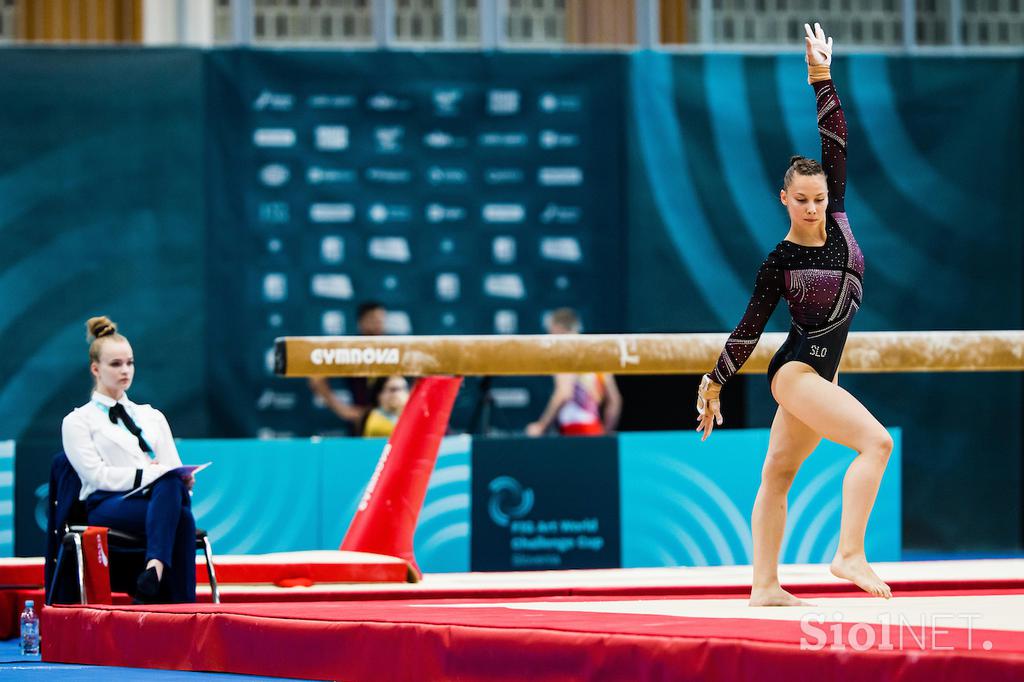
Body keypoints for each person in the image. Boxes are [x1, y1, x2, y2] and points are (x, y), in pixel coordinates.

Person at [696, 23, 893, 605]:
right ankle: (849, 554)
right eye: (801, 199)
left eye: (820, 197)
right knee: (876, 445)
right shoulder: (778, 261)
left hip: (821, 377)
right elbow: (749, 330)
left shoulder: (838, 221)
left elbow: (836, 140)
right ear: (784, 199)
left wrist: (821, 77)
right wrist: (714, 381)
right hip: (797, 372)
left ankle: (763, 586)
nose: (813, 207)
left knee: (776, 476)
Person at [61, 316, 197, 603]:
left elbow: (171, 470)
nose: (125, 370)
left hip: (157, 500)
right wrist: (148, 475)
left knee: (175, 492)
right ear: (96, 369)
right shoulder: (78, 421)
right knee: (180, 515)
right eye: (116, 364)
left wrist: (185, 479)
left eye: (130, 362)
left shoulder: (152, 415)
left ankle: (153, 571)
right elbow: (96, 476)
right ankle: (182, 609)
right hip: (106, 504)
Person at [526, 308, 622, 437]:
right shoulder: (596, 354)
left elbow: (564, 393)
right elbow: (615, 400)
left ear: (557, 328)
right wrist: (604, 433)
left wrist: (541, 425)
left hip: (573, 429)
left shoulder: (566, 351)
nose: (548, 336)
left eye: (549, 331)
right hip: (595, 428)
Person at [308, 301, 387, 434]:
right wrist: (342, 409)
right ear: (361, 322)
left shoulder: (394, 347)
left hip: (392, 420)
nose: (379, 324)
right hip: (360, 420)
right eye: (373, 319)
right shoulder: (349, 348)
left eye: (382, 320)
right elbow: (316, 379)